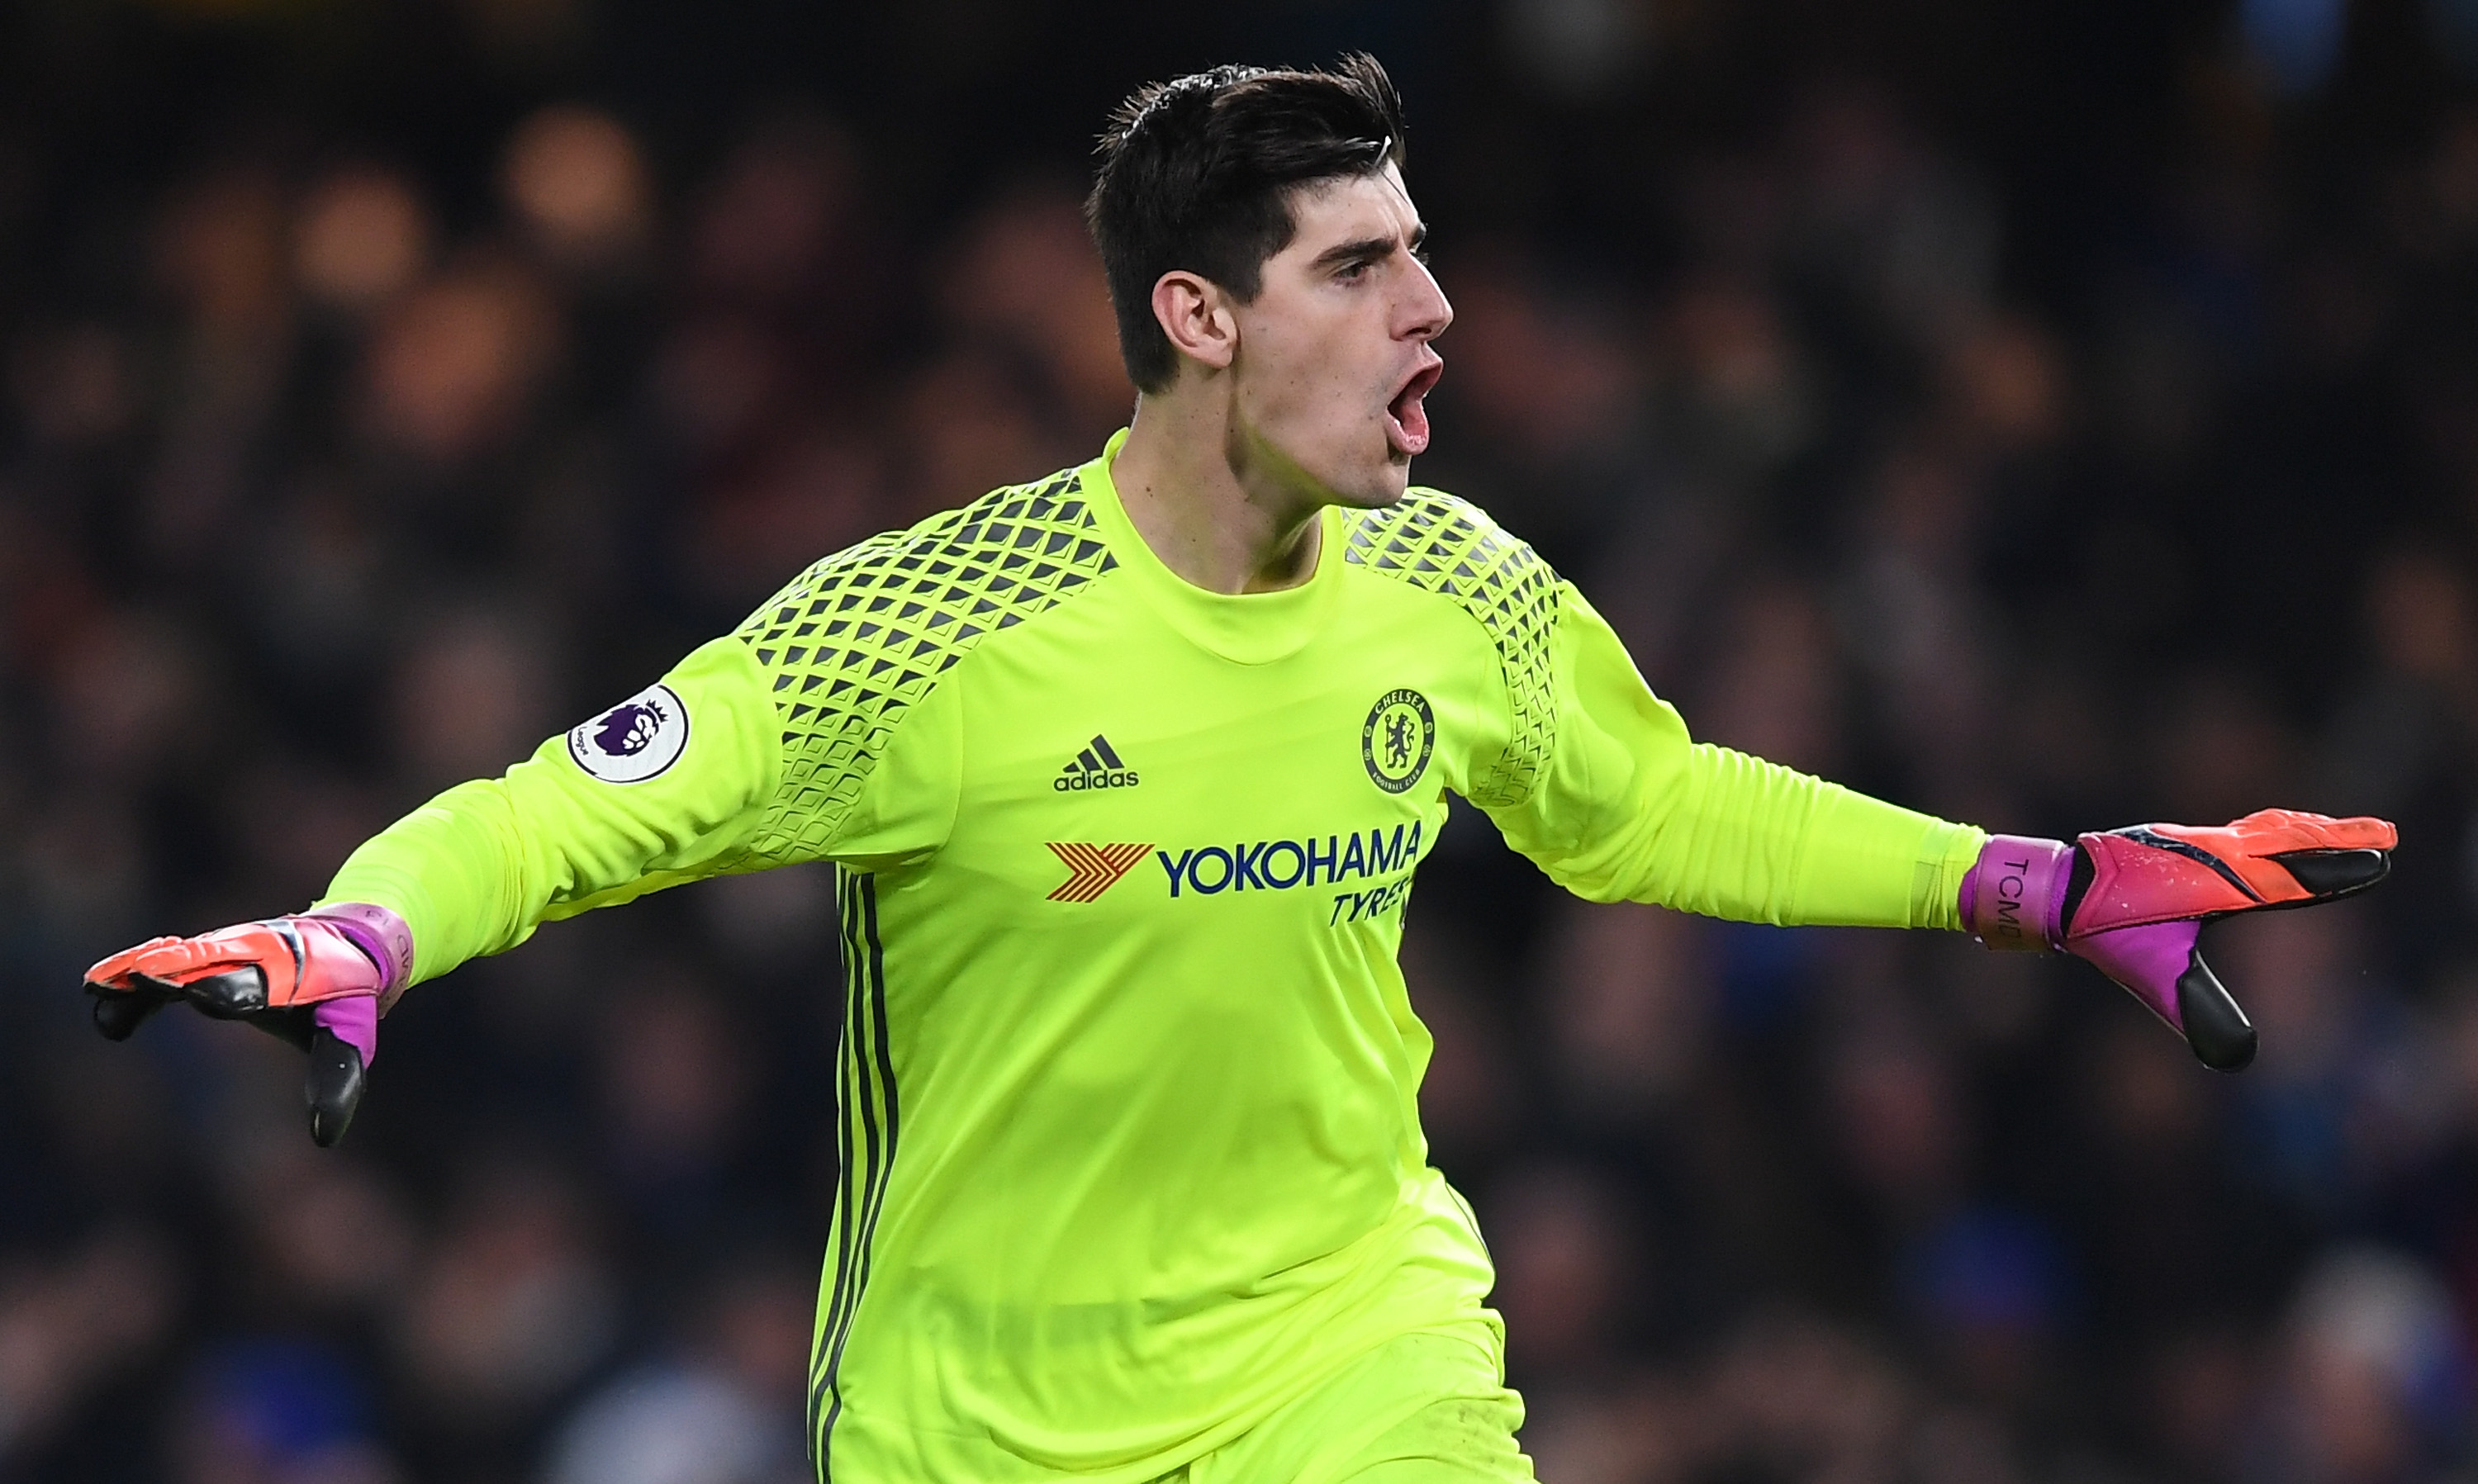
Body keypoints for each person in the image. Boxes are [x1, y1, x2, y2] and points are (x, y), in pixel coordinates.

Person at [83, 56, 2395, 1484]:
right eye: (1361, 268)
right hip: (983, 1425)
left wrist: (2032, 883)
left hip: (1348, 1342)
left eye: (1424, 258)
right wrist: (371, 926)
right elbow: (569, 809)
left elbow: (1654, 801)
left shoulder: (1458, 585)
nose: (1434, 311)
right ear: (1199, 318)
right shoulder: (931, 632)